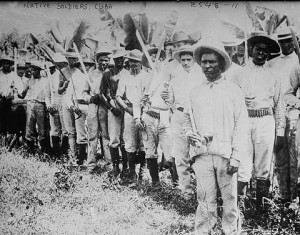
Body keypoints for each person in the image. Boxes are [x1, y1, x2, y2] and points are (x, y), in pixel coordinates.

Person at [184, 40, 248, 234]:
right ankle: (203, 230)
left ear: (221, 63)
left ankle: (230, 231)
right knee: (204, 198)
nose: (208, 66)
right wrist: (189, 134)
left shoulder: (233, 91)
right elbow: (187, 120)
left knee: (229, 199)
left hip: (225, 153)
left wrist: (236, 156)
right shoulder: (195, 92)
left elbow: (241, 126)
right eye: (204, 62)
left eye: (212, 62)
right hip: (202, 153)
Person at [232, 33, 285, 209]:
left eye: (265, 51)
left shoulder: (275, 75)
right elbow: (232, 101)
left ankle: (261, 207)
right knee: (243, 163)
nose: (261, 54)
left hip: (265, 121)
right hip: (245, 121)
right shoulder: (240, 73)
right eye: (257, 50)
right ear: (251, 51)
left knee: (263, 165)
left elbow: (279, 105)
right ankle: (240, 206)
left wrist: (280, 132)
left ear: (268, 54)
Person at [161, 45, 204, 199]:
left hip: (196, 117)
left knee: (199, 153)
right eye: (183, 60)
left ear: (194, 60)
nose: (186, 62)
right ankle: (186, 191)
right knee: (180, 155)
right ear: (179, 60)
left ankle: (202, 190)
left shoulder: (201, 77)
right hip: (179, 116)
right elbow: (168, 103)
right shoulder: (175, 79)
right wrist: (164, 97)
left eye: (189, 59)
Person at [269, 27, 299, 205]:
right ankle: (282, 195)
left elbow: (292, 92)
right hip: (275, 114)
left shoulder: (298, 61)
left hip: (293, 115)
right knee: (280, 157)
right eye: (282, 41)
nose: (286, 44)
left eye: (289, 41)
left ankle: (294, 197)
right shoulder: (272, 63)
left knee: (295, 158)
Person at [135, 47, 173, 186]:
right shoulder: (142, 78)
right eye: (153, 59)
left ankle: (176, 183)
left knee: (169, 151)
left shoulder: (168, 77)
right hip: (149, 117)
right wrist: (136, 118)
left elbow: (172, 100)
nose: (157, 62)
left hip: (164, 117)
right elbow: (136, 101)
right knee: (150, 151)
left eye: (160, 59)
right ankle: (155, 182)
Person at [116, 49, 147, 183]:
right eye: (132, 61)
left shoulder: (147, 76)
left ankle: (143, 171)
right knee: (130, 143)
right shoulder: (125, 77)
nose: (134, 64)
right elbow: (118, 96)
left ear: (141, 63)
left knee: (145, 142)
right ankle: (132, 171)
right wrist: (127, 109)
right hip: (129, 112)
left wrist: (143, 110)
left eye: (137, 62)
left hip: (145, 111)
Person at [100, 46, 128, 176]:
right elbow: (101, 94)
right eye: (116, 59)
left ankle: (127, 167)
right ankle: (116, 167)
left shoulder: (128, 73)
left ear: (124, 59)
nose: (119, 61)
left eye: (121, 58)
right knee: (114, 137)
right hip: (114, 104)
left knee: (126, 137)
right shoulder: (107, 74)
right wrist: (111, 108)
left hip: (127, 105)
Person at [83, 47, 112, 174]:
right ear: (97, 61)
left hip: (105, 108)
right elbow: (84, 93)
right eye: (101, 60)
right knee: (92, 136)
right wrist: (90, 98)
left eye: (106, 60)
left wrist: (108, 98)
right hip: (93, 109)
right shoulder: (90, 74)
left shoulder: (111, 74)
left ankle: (109, 164)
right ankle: (91, 165)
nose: (103, 63)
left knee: (107, 136)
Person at [58, 51, 88, 165]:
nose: (72, 61)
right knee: (70, 131)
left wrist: (77, 105)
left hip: (78, 104)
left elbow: (83, 92)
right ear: (67, 59)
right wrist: (64, 86)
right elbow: (61, 91)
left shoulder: (80, 74)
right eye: (70, 58)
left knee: (81, 131)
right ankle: (73, 156)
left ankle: (82, 158)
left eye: (74, 58)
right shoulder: (62, 72)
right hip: (67, 102)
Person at [22, 60, 51, 153]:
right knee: (29, 126)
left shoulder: (45, 81)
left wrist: (48, 105)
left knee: (42, 128)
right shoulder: (30, 80)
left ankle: (43, 149)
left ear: (39, 70)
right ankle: (30, 149)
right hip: (30, 104)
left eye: (35, 70)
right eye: (32, 70)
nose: (33, 72)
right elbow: (23, 93)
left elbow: (47, 96)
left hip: (40, 104)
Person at [45, 53, 69, 156]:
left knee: (66, 128)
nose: (60, 67)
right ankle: (55, 152)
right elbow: (47, 94)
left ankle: (64, 152)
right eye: (57, 65)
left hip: (66, 103)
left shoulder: (68, 76)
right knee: (55, 129)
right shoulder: (51, 77)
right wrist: (49, 105)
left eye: (62, 65)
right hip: (55, 103)